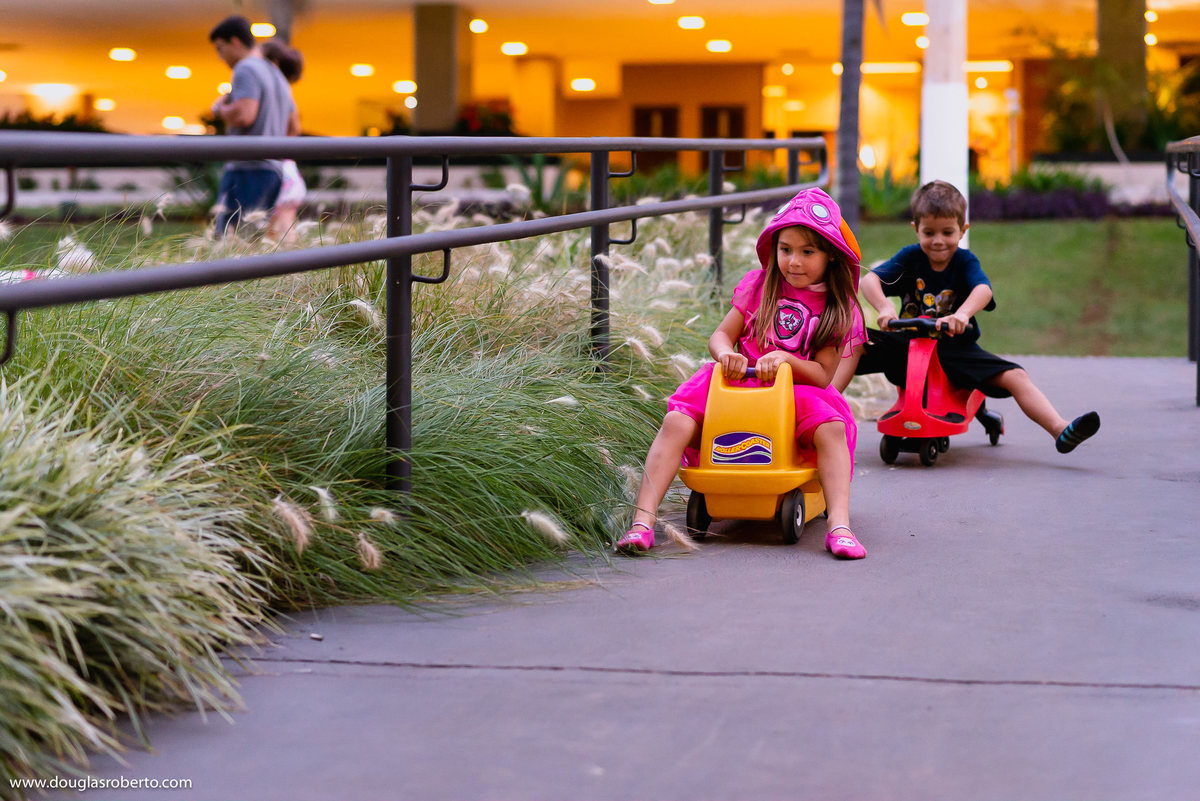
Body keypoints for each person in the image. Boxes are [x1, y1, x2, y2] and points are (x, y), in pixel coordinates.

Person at [617, 187, 870, 560]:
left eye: (807, 252)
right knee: (676, 420)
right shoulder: (759, 285)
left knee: (831, 427)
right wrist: (725, 356)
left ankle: (841, 525)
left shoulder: (834, 306)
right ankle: (642, 521)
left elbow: (822, 374)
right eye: (786, 250)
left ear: (830, 255)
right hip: (740, 379)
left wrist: (786, 359)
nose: (794, 262)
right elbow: (721, 335)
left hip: (797, 390)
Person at [841, 179, 1100, 454]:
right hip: (910, 346)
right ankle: (823, 408)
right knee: (852, 341)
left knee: (1016, 377)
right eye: (929, 232)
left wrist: (962, 314)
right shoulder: (910, 258)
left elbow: (983, 290)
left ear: (962, 230)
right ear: (916, 229)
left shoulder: (965, 261)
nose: (938, 241)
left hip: (955, 348)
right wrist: (884, 307)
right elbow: (871, 282)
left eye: (947, 232)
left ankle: (1059, 429)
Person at [208, 15, 300, 236]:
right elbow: (294, 127)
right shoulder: (276, 73)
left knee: (232, 242)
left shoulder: (245, 69)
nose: (220, 57)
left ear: (235, 42)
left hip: (247, 168)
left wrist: (219, 110)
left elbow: (244, 116)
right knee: (254, 243)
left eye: (221, 49)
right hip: (273, 170)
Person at [259, 38, 307, 243]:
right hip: (287, 170)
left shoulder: (279, 92)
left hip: (280, 170)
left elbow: (295, 127)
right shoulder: (285, 92)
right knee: (280, 229)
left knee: (280, 231)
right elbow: (295, 128)